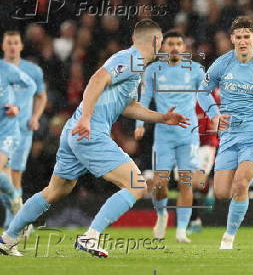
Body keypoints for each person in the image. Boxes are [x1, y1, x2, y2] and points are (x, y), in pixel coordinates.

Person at [0, 19, 189, 257]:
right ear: (156, 41)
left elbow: (128, 106)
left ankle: (7, 239)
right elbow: (97, 80)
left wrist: (162, 117)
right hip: (89, 130)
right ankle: (90, 237)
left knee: (55, 191)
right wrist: (87, 118)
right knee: (137, 185)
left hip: (76, 131)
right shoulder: (130, 60)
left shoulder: (135, 65)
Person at [197, 16, 253, 249]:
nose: (243, 41)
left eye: (247, 36)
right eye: (239, 37)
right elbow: (202, 92)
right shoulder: (222, 64)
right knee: (222, 193)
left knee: (239, 184)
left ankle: (228, 238)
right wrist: (215, 114)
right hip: (228, 136)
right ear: (232, 39)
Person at [134, 31, 206, 243]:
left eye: (178, 44)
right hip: (163, 135)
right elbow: (144, 98)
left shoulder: (196, 70)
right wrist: (139, 123)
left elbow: (206, 96)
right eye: (170, 44)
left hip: (188, 134)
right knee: (158, 184)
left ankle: (182, 230)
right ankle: (162, 214)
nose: (174, 47)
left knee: (186, 182)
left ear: (184, 47)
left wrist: (215, 116)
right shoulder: (153, 70)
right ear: (163, 47)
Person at [1, 31, 47, 229]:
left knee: (14, 173)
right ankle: (17, 217)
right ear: (3, 46)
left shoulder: (32, 70)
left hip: (20, 130)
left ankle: (13, 222)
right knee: (5, 174)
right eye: (8, 43)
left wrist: (35, 117)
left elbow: (41, 96)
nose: (12, 46)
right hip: (3, 127)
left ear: (21, 46)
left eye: (15, 43)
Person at [0, 60, 32, 224]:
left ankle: (14, 198)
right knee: (2, 177)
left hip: (7, 132)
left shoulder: (7, 70)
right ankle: (15, 211)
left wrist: (18, 107)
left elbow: (30, 85)